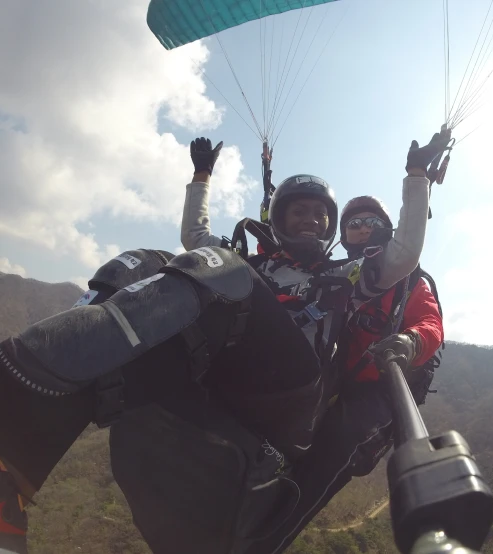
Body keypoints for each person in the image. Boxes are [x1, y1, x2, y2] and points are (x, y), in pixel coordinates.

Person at [0, 130, 451, 554]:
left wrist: (415, 180)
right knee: (142, 263)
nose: (311, 220)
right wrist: (200, 178)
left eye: (320, 215)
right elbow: (194, 241)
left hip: (293, 393)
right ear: (279, 220)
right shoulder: (259, 264)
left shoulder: (345, 276)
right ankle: (14, 468)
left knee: (220, 266)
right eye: (299, 212)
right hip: (231, 374)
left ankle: (16, 377)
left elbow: (404, 255)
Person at [242, 195, 444, 553]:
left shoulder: (411, 280)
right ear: (343, 234)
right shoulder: (340, 271)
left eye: (372, 222)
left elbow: (430, 323)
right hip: (332, 375)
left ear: (387, 231)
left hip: (379, 391)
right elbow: (283, 269)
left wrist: (410, 342)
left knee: (338, 444)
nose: (363, 228)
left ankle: (262, 544)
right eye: (354, 223)